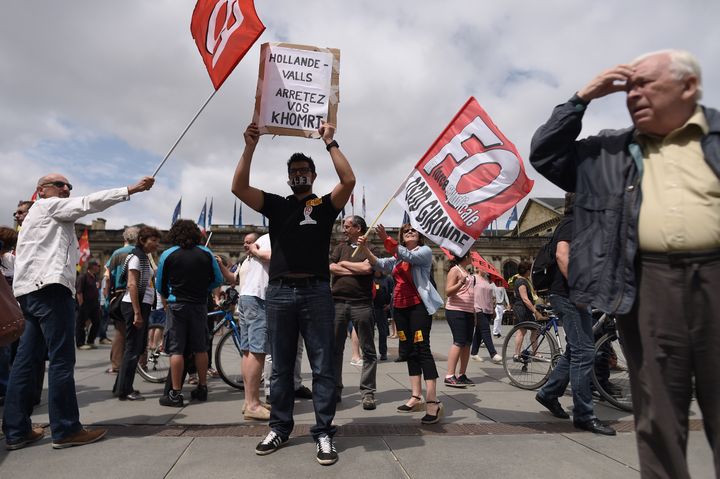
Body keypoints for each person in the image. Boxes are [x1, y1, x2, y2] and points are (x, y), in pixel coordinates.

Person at [529, 49, 719, 478]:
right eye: (629, 87)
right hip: (648, 282)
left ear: (688, 88)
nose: (634, 94)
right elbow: (544, 154)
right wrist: (581, 98)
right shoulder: (607, 151)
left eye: (647, 84)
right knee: (659, 416)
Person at [232, 121, 354, 466]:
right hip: (280, 293)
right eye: (294, 171)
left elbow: (349, 181)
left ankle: (324, 432)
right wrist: (250, 146)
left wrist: (330, 142)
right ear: (288, 179)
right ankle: (280, 427)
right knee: (281, 367)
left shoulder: (325, 206)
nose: (299, 175)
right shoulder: (277, 205)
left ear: (313, 175)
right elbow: (238, 187)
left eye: (304, 170)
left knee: (323, 365)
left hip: (316, 291)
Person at [4, 173, 153, 450]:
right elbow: (87, 203)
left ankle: (16, 430)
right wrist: (131, 189)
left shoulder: (32, 221)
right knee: (61, 360)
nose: (65, 189)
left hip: (29, 293)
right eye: (59, 185)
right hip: (51, 290)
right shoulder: (48, 206)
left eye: (68, 186)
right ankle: (66, 429)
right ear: (41, 190)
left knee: (25, 362)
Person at [534, 194, 615, 435]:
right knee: (584, 352)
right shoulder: (572, 223)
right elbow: (562, 255)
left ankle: (548, 393)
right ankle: (584, 415)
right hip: (569, 296)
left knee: (576, 350)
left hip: (574, 295)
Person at [358, 224, 444, 425]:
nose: (410, 232)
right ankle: (416, 396)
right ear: (402, 237)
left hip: (418, 308)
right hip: (401, 308)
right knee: (408, 351)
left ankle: (433, 400)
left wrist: (387, 239)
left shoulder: (424, 252)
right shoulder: (398, 256)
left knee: (423, 349)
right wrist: (365, 249)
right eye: (406, 231)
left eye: (413, 230)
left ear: (419, 236)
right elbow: (380, 264)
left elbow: (410, 257)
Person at [156, 219, 223, 407]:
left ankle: (175, 393)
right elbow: (217, 280)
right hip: (199, 304)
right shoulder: (206, 253)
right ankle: (202, 387)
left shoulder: (167, 254)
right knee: (200, 348)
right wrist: (203, 290)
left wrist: (170, 293)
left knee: (176, 349)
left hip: (177, 305)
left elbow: (160, 284)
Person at [330, 215, 378, 410]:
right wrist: (354, 270)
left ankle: (367, 393)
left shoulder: (370, 249)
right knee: (334, 349)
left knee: (368, 350)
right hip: (338, 303)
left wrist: (345, 265)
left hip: (362, 304)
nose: (344, 229)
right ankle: (334, 389)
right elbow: (331, 267)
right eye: (343, 225)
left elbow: (368, 267)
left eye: (348, 226)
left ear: (358, 228)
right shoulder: (340, 247)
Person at [112, 226, 161, 401]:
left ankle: (120, 387)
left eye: (157, 240)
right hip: (135, 306)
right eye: (153, 240)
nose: (156, 244)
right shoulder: (136, 258)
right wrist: (137, 313)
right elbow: (132, 285)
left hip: (140, 305)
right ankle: (125, 390)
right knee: (132, 349)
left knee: (135, 348)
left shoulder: (143, 257)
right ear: (142, 240)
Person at [237, 232, 272, 420]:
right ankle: (253, 405)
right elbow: (273, 257)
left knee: (248, 350)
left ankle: (248, 399)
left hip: (247, 296)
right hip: (258, 297)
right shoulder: (273, 237)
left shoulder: (263, 238)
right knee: (257, 351)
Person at [103, 226, 140, 374]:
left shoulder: (117, 253)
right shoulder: (142, 253)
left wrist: (107, 298)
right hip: (139, 293)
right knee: (139, 330)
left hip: (119, 294)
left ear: (125, 238)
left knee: (120, 331)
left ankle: (116, 365)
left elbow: (107, 277)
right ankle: (141, 364)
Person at [443, 252, 476, 388]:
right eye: (470, 255)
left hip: (468, 311)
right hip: (455, 310)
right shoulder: (455, 270)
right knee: (459, 341)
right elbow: (448, 291)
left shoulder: (466, 272)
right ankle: (450, 375)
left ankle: (462, 374)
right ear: (465, 257)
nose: (472, 258)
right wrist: (460, 283)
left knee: (467, 343)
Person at [510, 261, 545, 361]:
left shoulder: (524, 280)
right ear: (527, 270)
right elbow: (525, 299)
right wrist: (535, 311)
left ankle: (535, 352)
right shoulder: (521, 282)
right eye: (530, 270)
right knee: (522, 331)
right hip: (521, 308)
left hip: (525, 309)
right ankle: (516, 354)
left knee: (534, 329)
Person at [471, 270, 502, 363]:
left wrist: (492, 309)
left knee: (479, 332)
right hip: (478, 308)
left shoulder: (486, 280)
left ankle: (474, 353)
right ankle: (493, 353)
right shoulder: (473, 278)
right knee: (485, 330)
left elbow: (489, 296)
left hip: (488, 309)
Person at [76, 258, 102, 350]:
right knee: (81, 324)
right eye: (97, 266)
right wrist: (81, 304)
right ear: (92, 266)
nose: (99, 267)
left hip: (94, 304)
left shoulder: (95, 277)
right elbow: (79, 292)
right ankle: (80, 343)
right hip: (85, 303)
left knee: (97, 322)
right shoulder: (83, 277)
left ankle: (90, 341)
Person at [372, 270, 393, 361]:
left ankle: (383, 352)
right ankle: (370, 353)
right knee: (369, 332)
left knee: (383, 332)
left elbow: (393, 293)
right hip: (370, 308)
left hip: (382, 309)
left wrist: (389, 305)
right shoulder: (370, 278)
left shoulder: (388, 279)